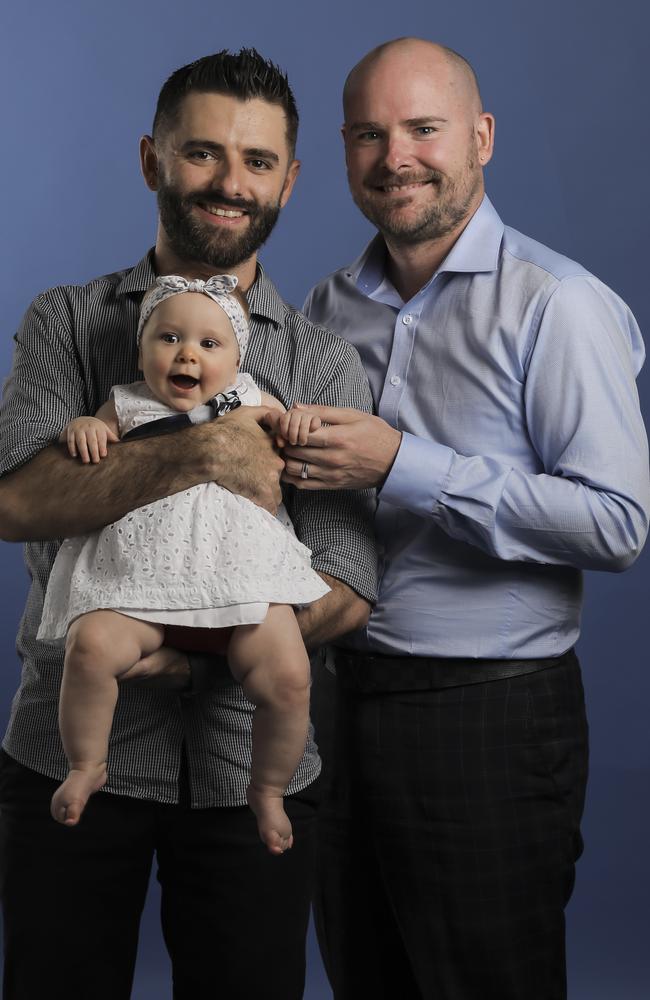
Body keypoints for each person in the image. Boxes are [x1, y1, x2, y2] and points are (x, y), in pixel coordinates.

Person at [0, 49, 376, 1000]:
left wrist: (190, 645)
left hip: (251, 763)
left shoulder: (322, 365)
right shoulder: (69, 322)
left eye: (256, 161)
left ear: (289, 179)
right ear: (151, 160)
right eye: (202, 153)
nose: (228, 183)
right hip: (68, 750)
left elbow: (344, 585)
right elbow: (14, 499)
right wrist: (203, 453)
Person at [283, 37, 650, 1000]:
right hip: (335, 703)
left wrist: (406, 465)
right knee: (363, 977)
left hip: (489, 717)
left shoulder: (560, 305)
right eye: (370, 133)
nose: (395, 155)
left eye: (422, 128)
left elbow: (616, 522)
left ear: (481, 138)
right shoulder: (327, 305)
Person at [39, 273, 330, 855]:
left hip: (239, 580)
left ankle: (268, 789)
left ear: (238, 356)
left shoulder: (250, 397)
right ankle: (86, 762)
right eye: (168, 338)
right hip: (140, 582)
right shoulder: (125, 403)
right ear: (142, 348)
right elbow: (89, 439)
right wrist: (87, 427)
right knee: (91, 646)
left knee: (290, 676)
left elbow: (295, 433)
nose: (187, 353)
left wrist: (300, 423)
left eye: (209, 344)